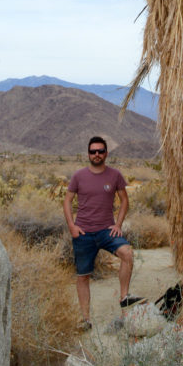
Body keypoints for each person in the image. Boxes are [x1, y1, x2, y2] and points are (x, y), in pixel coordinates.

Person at [63, 135, 143, 329]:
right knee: (83, 276)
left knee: (127, 253)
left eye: (100, 151)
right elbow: (67, 201)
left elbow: (125, 200)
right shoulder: (79, 176)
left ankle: (124, 297)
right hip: (83, 234)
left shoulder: (115, 175)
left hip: (107, 231)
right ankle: (85, 319)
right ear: (88, 154)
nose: (97, 154)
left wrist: (118, 224)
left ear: (106, 153)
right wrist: (72, 226)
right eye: (93, 151)